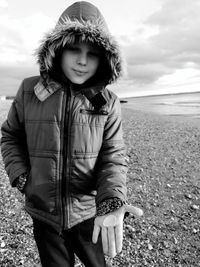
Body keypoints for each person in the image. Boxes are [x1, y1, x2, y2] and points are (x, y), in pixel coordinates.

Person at [1, 1, 142, 266]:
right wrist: (22, 177)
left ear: (104, 58)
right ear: (57, 49)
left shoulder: (107, 101)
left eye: (93, 53)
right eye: (74, 49)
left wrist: (111, 201)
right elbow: (10, 136)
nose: (82, 61)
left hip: (88, 212)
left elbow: (113, 155)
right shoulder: (29, 91)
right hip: (44, 213)